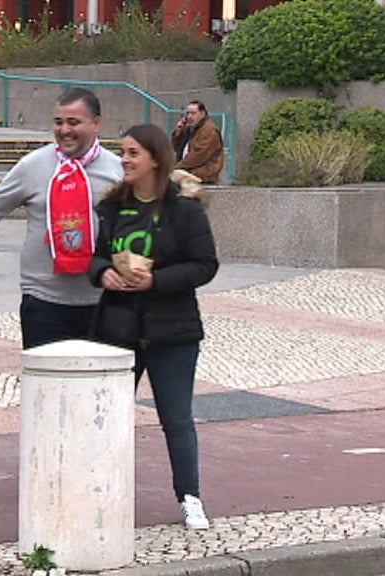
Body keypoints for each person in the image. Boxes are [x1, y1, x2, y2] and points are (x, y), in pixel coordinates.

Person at [88, 124, 219, 530]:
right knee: (107, 417)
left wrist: (156, 281)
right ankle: (100, 493)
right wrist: (104, 273)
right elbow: (95, 257)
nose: (124, 160)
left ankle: (190, 497)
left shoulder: (184, 210)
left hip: (172, 331)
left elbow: (205, 265)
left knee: (176, 417)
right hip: (118, 329)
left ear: (156, 159)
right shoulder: (112, 207)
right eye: (123, 152)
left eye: (133, 153)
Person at [0, 87, 123, 349]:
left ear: (96, 124)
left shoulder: (117, 171)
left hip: (103, 301)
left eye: (74, 122)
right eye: (58, 122)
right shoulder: (33, 166)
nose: (64, 130)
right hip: (44, 302)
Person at [170, 100, 224, 185]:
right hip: (189, 173)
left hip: (202, 175)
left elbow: (198, 155)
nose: (189, 117)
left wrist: (177, 167)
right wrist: (179, 132)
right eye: (188, 113)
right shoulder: (190, 129)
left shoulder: (209, 131)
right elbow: (176, 147)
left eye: (193, 113)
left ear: (202, 114)